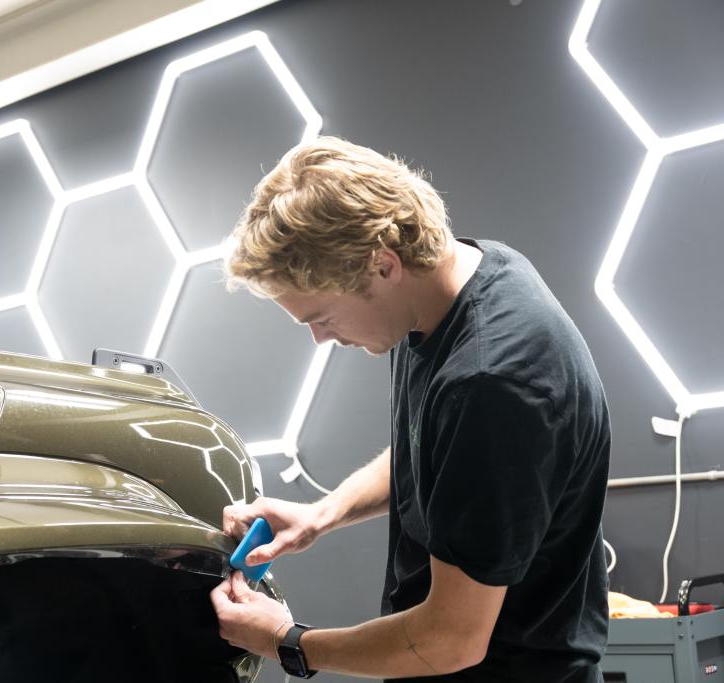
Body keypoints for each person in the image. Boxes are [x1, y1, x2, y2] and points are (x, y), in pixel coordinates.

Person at [210, 137, 611, 681]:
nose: (319, 338)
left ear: (383, 265)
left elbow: (451, 640)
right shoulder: (444, 296)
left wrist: (286, 641)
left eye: (321, 316)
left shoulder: (492, 382)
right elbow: (433, 452)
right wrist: (320, 515)